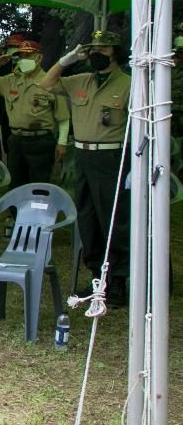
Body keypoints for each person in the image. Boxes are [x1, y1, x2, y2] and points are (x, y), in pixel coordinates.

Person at [41, 30, 130, 308]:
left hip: (112, 158)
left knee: (113, 220)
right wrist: (65, 61)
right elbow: (46, 84)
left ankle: (117, 281)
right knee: (88, 219)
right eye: (92, 50)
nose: (95, 54)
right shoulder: (80, 80)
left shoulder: (129, 84)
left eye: (102, 50)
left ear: (116, 53)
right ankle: (96, 279)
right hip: (83, 157)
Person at [0, 40, 69, 188]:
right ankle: (16, 211)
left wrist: (62, 142)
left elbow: (63, 117)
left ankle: (38, 211)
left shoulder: (51, 83)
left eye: (27, 56)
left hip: (40, 141)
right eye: (20, 56)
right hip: (16, 139)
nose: (22, 60)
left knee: (39, 184)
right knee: (15, 182)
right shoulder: (11, 81)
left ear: (39, 58)